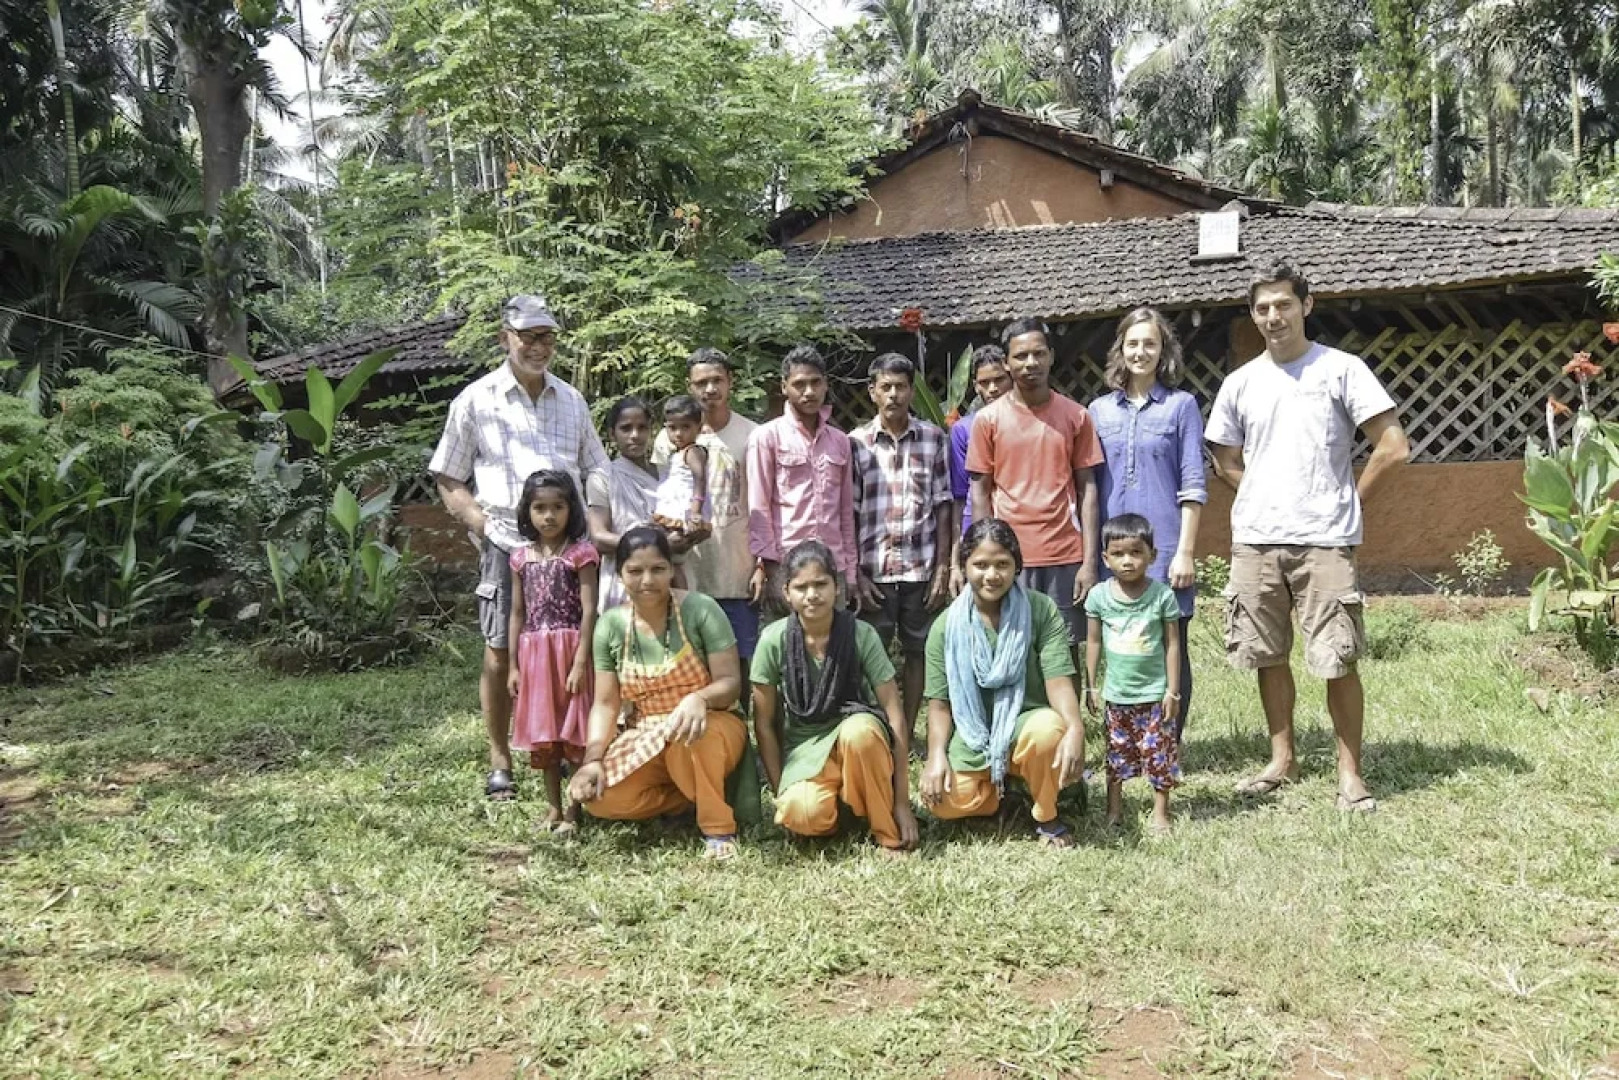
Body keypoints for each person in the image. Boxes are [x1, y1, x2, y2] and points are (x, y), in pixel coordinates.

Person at [1205, 262, 1410, 812]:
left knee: (1337, 657)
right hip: (1256, 540)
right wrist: (1261, 495)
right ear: (1253, 315)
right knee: (1267, 653)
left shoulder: (1341, 371)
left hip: (1324, 540)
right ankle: (1283, 758)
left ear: (1306, 305)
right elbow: (1223, 456)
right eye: (1263, 308)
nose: (1274, 316)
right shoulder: (1240, 383)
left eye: (1283, 304)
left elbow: (1392, 446)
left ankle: (1350, 774)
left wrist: (1349, 501)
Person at [430, 294, 610, 801]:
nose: (538, 347)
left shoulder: (572, 400)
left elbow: (596, 464)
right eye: (527, 336)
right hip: (508, 546)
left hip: (573, 552)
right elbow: (448, 476)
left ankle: (571, 747)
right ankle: (500, 759)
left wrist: (594, 522)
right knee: (500, 651)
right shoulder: (475, 400)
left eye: (546, 337)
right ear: (504, 338)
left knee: (572, 647)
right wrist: (480, 523)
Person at [567, 527, 755, 860]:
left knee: (691, 735)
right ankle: (685, 798)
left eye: (657, 569)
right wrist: (592, 760)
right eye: (635, 571)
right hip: (647, 731)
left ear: (671, 569)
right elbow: (606, 704)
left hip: (712, 723)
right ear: (621, 574)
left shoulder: (701, 609)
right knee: (601, 800)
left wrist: (700, 699)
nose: (647, 580)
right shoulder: (610, 625)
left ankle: (718, 828)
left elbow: (731, 683)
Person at [919, 519, 1088, 848]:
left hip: (1025, 726)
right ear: (965, 566)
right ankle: (1008, 792)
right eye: (980, 565)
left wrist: (1075, 729)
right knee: (941, 803)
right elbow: (940, 705)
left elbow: (1058, 680)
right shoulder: (945, 626)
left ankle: (1046, 813)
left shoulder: (1040, 610)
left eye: (1002, 564)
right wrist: (935, 755)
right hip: (974, 735)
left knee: (1049, 729)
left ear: (1017, 566)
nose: (991, 575)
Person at [751, 541, 919, 854]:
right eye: (801, 587)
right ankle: (846, 808)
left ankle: (885, 832)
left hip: (856, 741)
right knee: (801, 814)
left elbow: (894, 712)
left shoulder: (860, 634)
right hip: (805, 750)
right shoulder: (773, 639)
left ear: (837, 587)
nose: (812, 595)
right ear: (786, 593)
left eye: (820, 584)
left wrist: (902, 804)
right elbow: (763, 724)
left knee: (860, 731)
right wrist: (780, 792)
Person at [1088, 308, 1207, 734]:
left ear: (1163, 351)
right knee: (1120, 645)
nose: (1141, 352)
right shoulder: (1099, 411)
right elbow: (1089, 488)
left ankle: (1168, 741)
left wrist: (1185, 553)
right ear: (1121, 349)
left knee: (1170, 645)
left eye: (1150, 344)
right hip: (1113, 550)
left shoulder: (1181, 407)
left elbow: (1193, 484)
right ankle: (1126, 740)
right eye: (1133, 343)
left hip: (1165, 551)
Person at [967, 318, 1103, 650]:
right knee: (1012, 647)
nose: (1031, 364)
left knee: (1064, 648)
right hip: (1009, 558)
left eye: (1038, 354)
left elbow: (1088, 490)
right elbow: (980, 492)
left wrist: (1088, 562)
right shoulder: (987, 420)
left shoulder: (1077, 416)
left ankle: (1065, 705)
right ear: (1007, 363)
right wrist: (987, 555)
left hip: (1064, 553)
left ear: (1051, 357)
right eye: (1021, 356)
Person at [850, 353, 952, 733]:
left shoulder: (932, 438)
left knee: (918, 651)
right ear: (873, 392)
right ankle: (877, 729)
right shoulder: (856, 443)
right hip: (873, 569)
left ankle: (906, 732)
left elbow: (943, 504)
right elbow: (850, 511)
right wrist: (855, 572)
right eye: (886, 387)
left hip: (920, 566)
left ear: (912, 391)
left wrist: (943, 566)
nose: (894, 394)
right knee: (870, 653)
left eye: (901, 387)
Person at [652, 348, 761, 677]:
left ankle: (743, 728)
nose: (710, 389)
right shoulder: (667, 438)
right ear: (690, 386)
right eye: (702, 382)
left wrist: (760, 565)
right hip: (690, 570)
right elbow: (664, 496)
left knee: (742, 660)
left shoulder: (752, 435)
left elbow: (761, 502)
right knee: (692, 659)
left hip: (736, 569)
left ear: (731, 382)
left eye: (717, 380)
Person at [504, 470, 599, 831]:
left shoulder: (581, 554)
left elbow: (590, 610)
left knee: (573, 730)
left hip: (570, 649)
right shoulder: (520, 558)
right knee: (545, 734)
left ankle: (575, 811)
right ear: (527, 512)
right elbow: (516, 612)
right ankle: (552, 809)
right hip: (534, 654)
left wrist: (580, 661)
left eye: (557, 507)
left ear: (570, 509)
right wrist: (513, 666)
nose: (548, 516)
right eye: (539, 507)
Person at [1083, 514, 1184, 833]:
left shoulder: (1162, 596)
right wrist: (1091, 687)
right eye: (1118, 554)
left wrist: (1172, 691)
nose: (1127, 561)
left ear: (1152, 555)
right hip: (1117, 697)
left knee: (1158, 755)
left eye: (1136, 552)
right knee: (1116, 756)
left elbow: (1172, 645)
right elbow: (1094, 642)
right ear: (1105, 558)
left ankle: (1160, 813)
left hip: (1154, 697)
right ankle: (1114, 811)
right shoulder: (1099, 596)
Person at [747, 344, 857, 614]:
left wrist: (850, 571)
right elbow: (759, 508)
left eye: (815, 383)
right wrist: (771, 568)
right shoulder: (766, 437)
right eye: (799, 384)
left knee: (835, 650)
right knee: (787, 649)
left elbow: (845, 512)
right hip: (787, 568)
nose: (808, 391)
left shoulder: (840, 441)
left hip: (832, 568)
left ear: (825, 385)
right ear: (784, 387)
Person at [589, 397, 687, 610]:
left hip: (668, 578)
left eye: (642, 428)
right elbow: (599, 538)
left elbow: (682, 523)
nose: (635, 435)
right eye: (626, 428)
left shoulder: (668, 474)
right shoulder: (603, 477)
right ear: (612, 434)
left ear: (651, 431)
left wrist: (687, 535)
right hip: (623, 582)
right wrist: (655, 545)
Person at [948, 344, 1013, 596]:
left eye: (999, 380)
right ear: (975, 385)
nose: (993, 389)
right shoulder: (963, 430)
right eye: (985, 382)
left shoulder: (1026, 422)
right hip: (975, 531)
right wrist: (955, 562)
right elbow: (959, 497)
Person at [651, 394, 710, 542]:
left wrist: (695, 512)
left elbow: (700, 480)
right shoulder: (678, 452)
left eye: (686, 427)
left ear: (699, 428)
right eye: (672, 428)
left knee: (675, 541)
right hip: (674, 505)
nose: (678, 433)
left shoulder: (693, 452)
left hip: (685, 508)